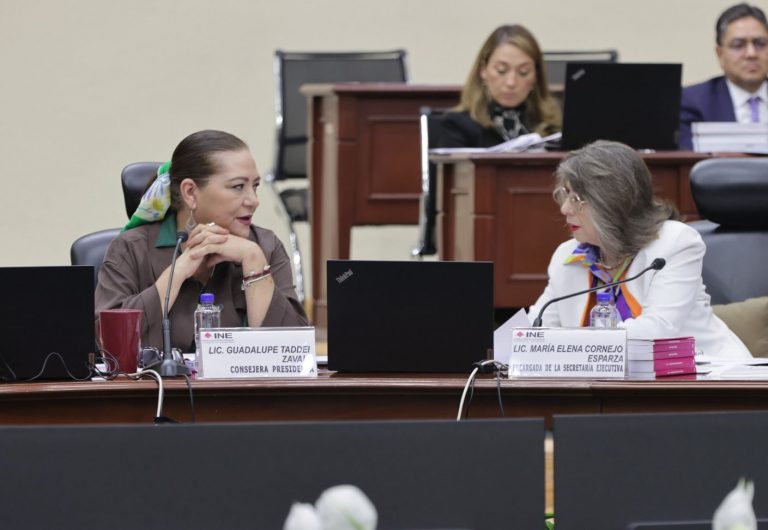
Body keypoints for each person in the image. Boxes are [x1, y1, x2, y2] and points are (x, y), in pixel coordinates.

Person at [528, 140, 751, 358]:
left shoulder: (675, 241)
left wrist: (570, 344)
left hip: (710, 380)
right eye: (564, 195)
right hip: (611, 387)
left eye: (575, 198)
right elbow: (534, 330)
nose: (565, 208)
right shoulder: (567, 255)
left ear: (613, 201)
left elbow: (659, 329)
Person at [95, 130, 308, 352]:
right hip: (156, 387)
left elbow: (295, 352)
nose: (254, 201)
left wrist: (254, 262)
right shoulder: (130, 248)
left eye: (255, 186)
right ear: (190, 193)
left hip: (244, 387)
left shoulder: (265, 245)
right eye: (238, 187)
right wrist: (176, 273)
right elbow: (107, 347)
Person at [440, 24, 561, 148]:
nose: (511, 82)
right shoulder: (457, 125)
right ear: (483, 70)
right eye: (501, 70)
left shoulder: (553, 126)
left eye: (523, 72)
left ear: (536, 76)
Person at [679, 3, 768, 150]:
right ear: (720, 54)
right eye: (738, 45)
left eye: (760, 43)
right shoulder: (693, 102)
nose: (751, 53)